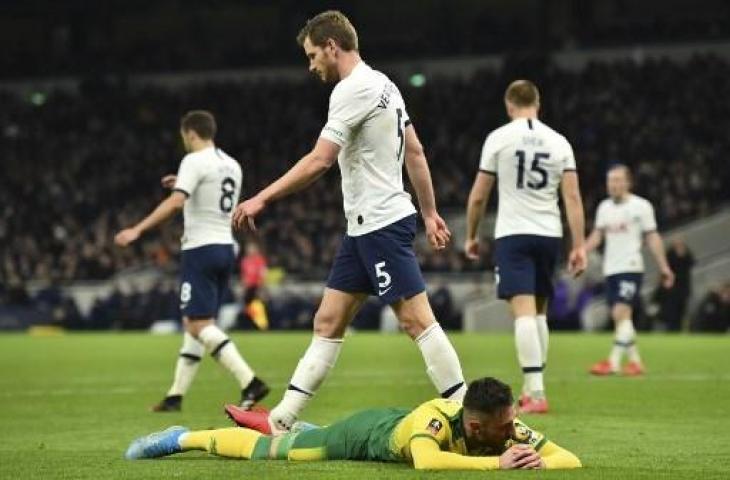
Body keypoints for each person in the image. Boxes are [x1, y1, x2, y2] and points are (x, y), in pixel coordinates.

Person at [231, 10, 466, 433]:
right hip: (363, 228)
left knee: (416, 320)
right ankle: (282, 419)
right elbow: (414, 150)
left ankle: (469, 415)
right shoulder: (387, 86)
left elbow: (320, 159)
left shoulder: (351, 89)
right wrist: (429, 211)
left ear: (331, 46)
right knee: (328, 320)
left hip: (380, 222)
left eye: (311, 55)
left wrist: (262, 197)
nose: (311, 65)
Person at [115, 110, 269, 411]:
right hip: (226, 248)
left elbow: (176, 203)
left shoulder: (194, 160)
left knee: (198, 325)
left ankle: (250, 382)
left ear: (190, 133)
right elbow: (211, 194)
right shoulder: (231, 164)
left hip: (200, 248)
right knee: (196, 323)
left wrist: (138, 229)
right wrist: (184, 182)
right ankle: (175, 396)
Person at [125, 377, 582, 471]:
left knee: (300, 438)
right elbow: (425, 462)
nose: (515, 429)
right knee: (274, 454)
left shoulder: (503, 426)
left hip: (391, 423)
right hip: (364, 436)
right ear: (477, 427)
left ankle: (294, 426)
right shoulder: (436, 422)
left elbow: (571, 459)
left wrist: (539, 464)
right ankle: (178, 437)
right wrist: (500, 467)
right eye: (506, 426)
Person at [464, 80, 587, 414]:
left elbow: (478, 195)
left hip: (514, 233)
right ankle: (535, 386)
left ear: (509, 105)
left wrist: (472, 235)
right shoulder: (559, 141)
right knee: (539, 311)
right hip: (549, 235)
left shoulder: (499, 138)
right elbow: (572, 197)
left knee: (522, 312)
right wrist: (579, 245)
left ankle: (535, 392)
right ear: (538, 103)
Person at [585, 164, 675, 376]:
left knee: (620, 312)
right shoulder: (604, 208)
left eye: (617, 180)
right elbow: (597, 236)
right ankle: (635, 362)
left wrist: (664, 266)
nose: (613, 185)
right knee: (622, 318)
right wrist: (580, 252)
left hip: (631, 267)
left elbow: (652, 237)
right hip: (611, 269)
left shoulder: (641, 206)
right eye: (610, 180)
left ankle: (613, 363)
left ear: (628, 182)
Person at [655, 236, 694, 331]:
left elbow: (692, 263)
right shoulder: (670, 255)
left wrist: (684, 255)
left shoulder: (687, 255)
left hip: (683, 289)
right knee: (671, 312)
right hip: (672, 289)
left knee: (681, 312)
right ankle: (670, 329)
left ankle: (679, 329)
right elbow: (666, 270)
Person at [239, 241, 269, 330]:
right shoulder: (245, 261)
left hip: (257, 287)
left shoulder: (260, 260)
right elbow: (243, 275)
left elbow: (263, 274)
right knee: (248, 308)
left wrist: (262, 288)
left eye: (252, 248)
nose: (250, 250)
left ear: (256, 250)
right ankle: (250, 325)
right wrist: (243, 287)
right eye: (249, 249)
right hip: (248, 288)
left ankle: (261, 326)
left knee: (258, 307)